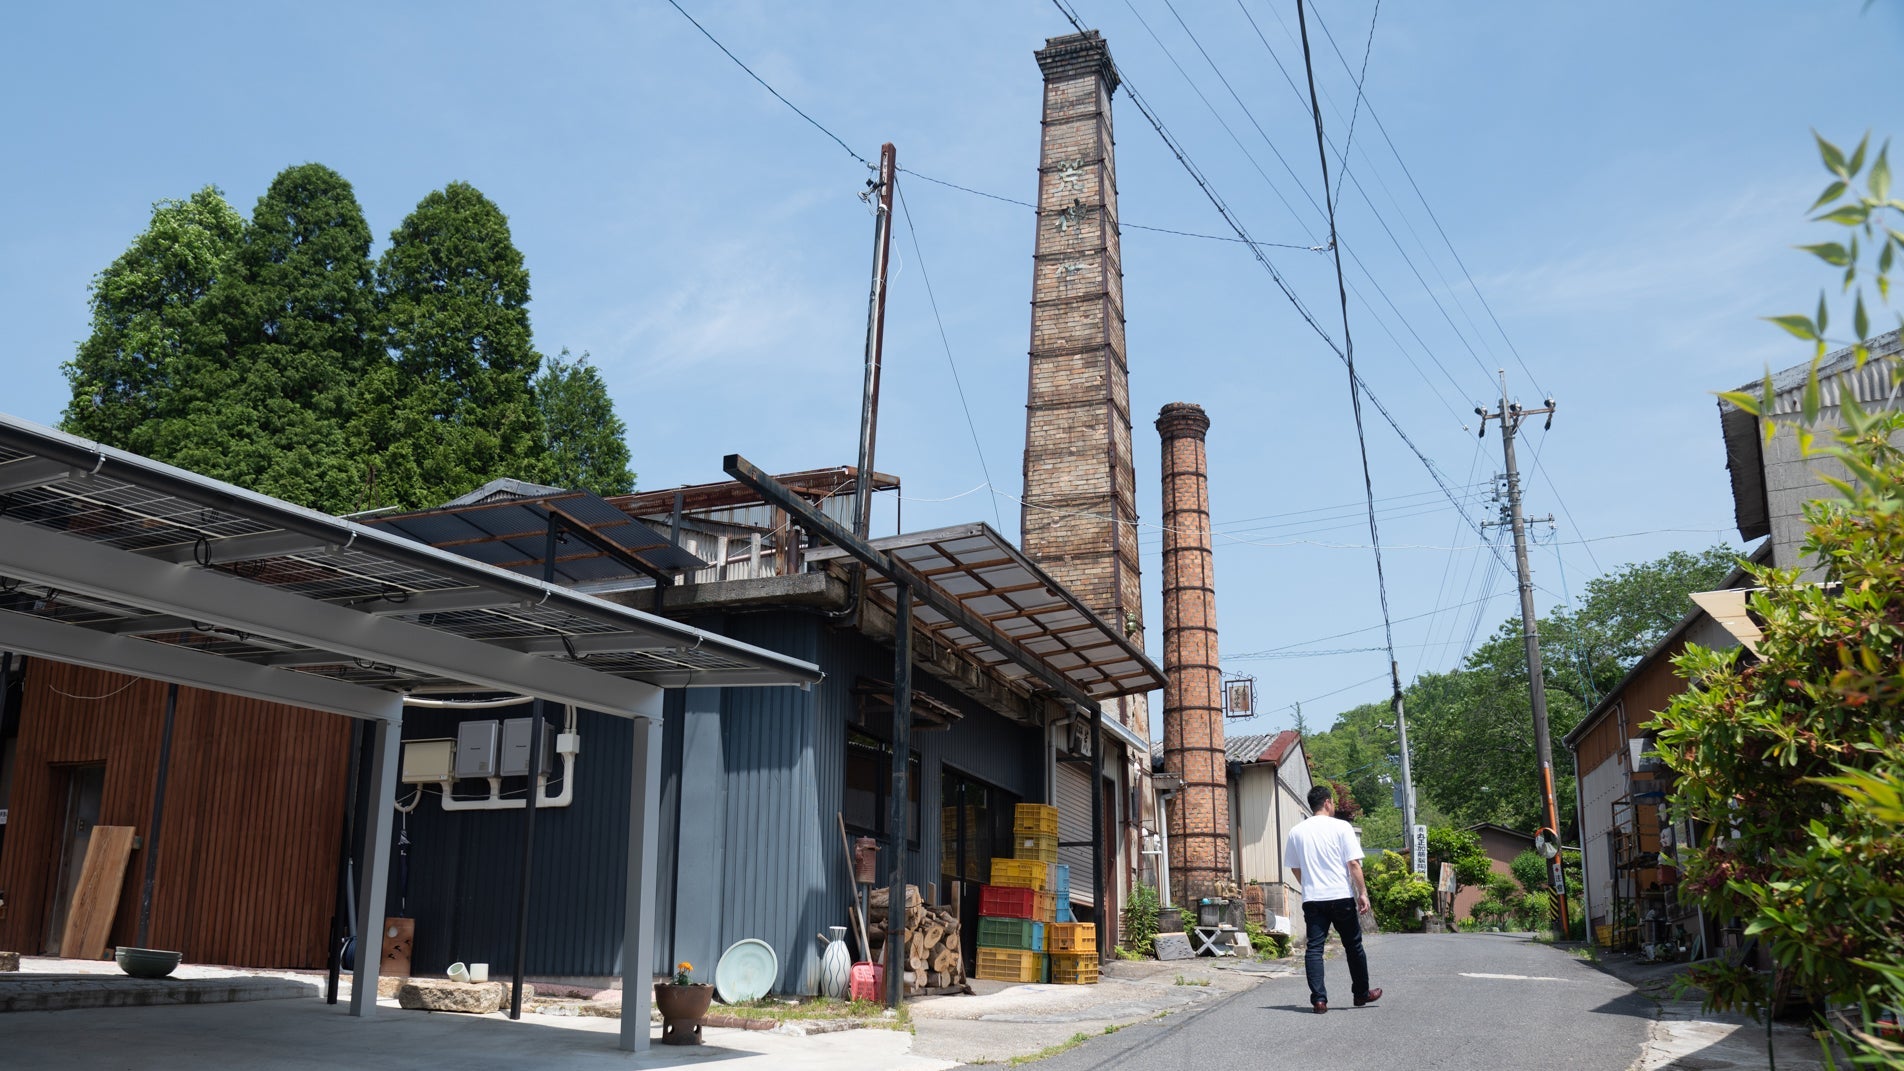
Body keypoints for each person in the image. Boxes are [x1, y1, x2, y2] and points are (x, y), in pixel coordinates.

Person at [1284, 783, 1382, 1014]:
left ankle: (1319, 1000)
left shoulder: (1297, 832)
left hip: (1313, 899)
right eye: (1333, 802)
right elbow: (1354, 864)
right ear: (1327, 802)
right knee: (1353, 946)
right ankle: (1361, 994)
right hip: (1340, 896)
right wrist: (1363, 893)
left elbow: (1295, 868)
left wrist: (1309, 885)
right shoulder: (1342, 827)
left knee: (1315, 948)